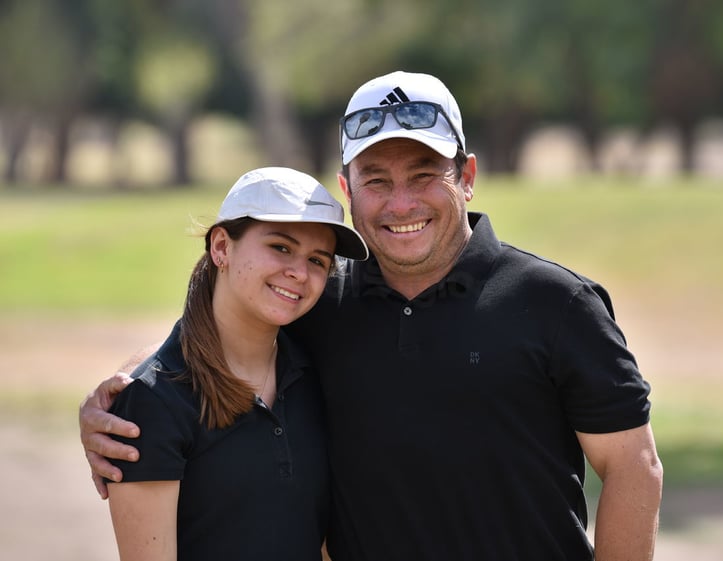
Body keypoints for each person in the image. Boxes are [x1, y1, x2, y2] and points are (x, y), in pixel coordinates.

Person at [81, 71, 663, 561]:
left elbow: (633, 466)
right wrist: (122, 394)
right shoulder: (317, 300)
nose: (401, 203)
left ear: (467, 177)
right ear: (347, 189)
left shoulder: (557, 303)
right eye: (376, 181)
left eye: (424, 175)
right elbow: (221, 329)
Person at [101, 166, 368, 561]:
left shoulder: (316, 374)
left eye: (317, 259)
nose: (298, 272)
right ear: (222, 247)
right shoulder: (153, 402)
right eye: (280, 247)